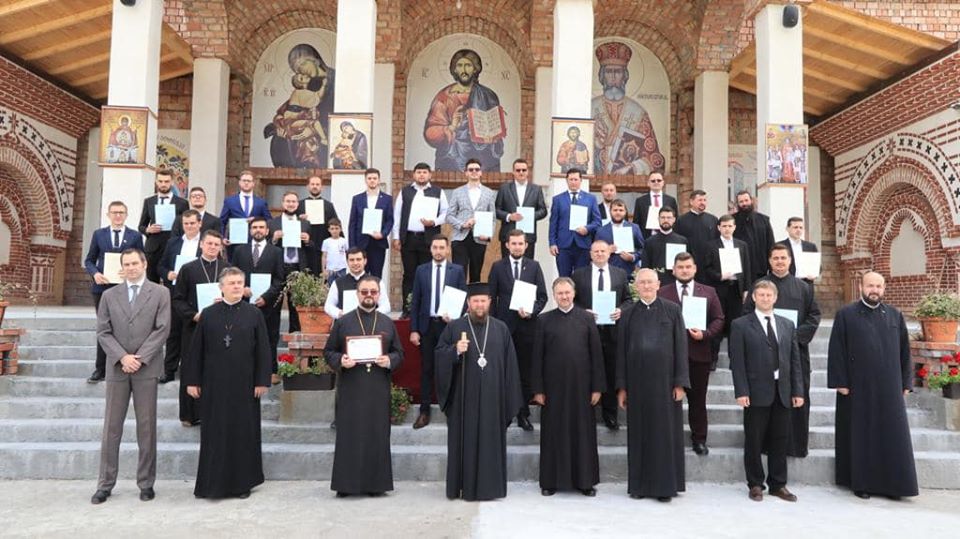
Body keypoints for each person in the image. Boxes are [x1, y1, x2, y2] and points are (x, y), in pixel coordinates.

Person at [183, 266, 272, 499]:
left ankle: (242, 484)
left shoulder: (254, 314)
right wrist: (192, 381)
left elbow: (263, 349)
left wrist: (262, 380)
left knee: (243, 433)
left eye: (240, 283)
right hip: (214, 385)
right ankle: (212, 484)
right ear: (221, 287)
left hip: (245, 384)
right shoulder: (208, 314)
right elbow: (196, 350)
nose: (236, 287)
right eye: (231, 283)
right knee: (215, 433)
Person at [828, 271, 918, 500]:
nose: (874, 290)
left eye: (878, 286)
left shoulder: (895, 315)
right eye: (870, 285)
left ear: (884, 288)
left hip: (890, 386)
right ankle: (862, 483)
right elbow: (837, 349)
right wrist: (840, 382)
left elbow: (904, 351)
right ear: (861, 287)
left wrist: (906, 381)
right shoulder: (846, 314)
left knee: (892, 435)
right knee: (862, 434)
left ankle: (894, 486)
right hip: (857, 386)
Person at [91, 248, 170, 505]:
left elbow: (162, 329)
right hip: (118, 367)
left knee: (146, 427)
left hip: (146, 367)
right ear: (122, 267)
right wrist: (123, 357)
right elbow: (103, 332)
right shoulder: (109, 295)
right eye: (127, 264)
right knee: (111, 427)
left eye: (135, 263)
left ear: (144, 264)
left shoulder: (160, 293)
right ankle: (105, 484)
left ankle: (146, 483)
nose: (131, 268)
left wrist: (139, 358)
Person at [435, 283, 523, 501]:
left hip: (494, 399)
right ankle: (461, 487)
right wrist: (455, 351)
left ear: (490, 302)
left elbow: (511, 365)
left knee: (490, 444)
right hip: (463, 400)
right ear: (468, 303)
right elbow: (439, 355)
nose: (479, 305)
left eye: (483, 301)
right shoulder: (454, 327)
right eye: (475, 301)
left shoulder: (501, 329)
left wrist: (509, 398)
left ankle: (491, 488)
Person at [323, 275, 404, 497]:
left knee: (377, 435)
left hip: (378, 387)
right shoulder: (343, 322)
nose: (369, 295)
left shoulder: (387, 322)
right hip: (351, 387)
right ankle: (346, 485)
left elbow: (399, 353)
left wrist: (389, 360)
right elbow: (329, 351)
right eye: (364, 292)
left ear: (379, 295)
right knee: (349, 435)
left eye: (373, 292)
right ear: (357, 294)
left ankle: (376, 485)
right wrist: (341, 360)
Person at [616, 268, 688, 502]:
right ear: (635, 287)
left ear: (658, 285)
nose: (646, 286)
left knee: (664, 435)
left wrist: (680, 382)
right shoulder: (628, 314)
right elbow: (621, 352)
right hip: (637, 384)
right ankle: (639, 485)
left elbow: (681, 347)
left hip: (665, 384)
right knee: (638, 435)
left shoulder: (673, 310)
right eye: (642, 283)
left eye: (650, 282)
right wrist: (622, 387)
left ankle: (665, 487)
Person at [729, 279, 804, 503]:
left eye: (768, 295)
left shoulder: (787, 324)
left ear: (775, 298)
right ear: (753, 297)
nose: (765, 298)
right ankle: (755, 484)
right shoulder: (741, 325)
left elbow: (794, 360)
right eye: (760, 295)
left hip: (783, 390)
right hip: (755, 391)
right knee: (754, 440)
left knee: (780, 439)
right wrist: (741, 391)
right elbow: (737, 362)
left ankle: (778, 484)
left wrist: (798, 391)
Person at [743, 244, 821, 458]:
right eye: (775, 258)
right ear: (769, 261)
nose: (779, 261)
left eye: (783, 258)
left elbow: (814, 316)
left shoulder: (803, 287)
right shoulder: (759, 286)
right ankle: (764, 445)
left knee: (795, 398)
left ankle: (795, 446)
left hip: (795, 355)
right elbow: (747, 315)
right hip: (763, 356)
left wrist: (792, 338)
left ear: (790, 260)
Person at [531, 277, 604, 497]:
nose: (564, 296)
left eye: (567, 292)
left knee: (583, 434)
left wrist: (597, 387)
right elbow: (537, 357)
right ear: (554, 296)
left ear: (574, 293)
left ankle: (585, 482)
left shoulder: (587, 318)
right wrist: (538, 389)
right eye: (560, 293)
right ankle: (550, 481)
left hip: (582, 388)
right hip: (553, 389)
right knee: (553, 433)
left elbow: (596, 355)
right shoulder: (544, 320)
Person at [657, 253, 724, 455]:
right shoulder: (662, 292)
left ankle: (699, 439)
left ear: (695, 269)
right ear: (674, 270)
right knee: (668, 401)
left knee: (698, 401)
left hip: (698, 355)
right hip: (669, 357)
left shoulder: (709, 292)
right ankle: (668, 439)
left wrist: (705, 334)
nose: (684, 270)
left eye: (688, 267)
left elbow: (719, 319)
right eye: (680, 267)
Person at [489, 229, 548, 431]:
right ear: (507, 245)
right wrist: (494, 324)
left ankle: (523, 414)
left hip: (527, 328)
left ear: (526, 245)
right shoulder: (497, 267)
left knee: (524, 372)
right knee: (503, 371)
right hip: (503, 328)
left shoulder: (534, 266)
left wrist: (532, 311)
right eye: (513, 243)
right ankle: (504, 414)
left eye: (520, 243)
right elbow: (491, 297)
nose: (517, 247)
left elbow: (543, 297)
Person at [572, 240, 631, 431]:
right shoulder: (578, 274)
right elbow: (572, 302)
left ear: (609, 253)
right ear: (590, 254)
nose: (599, 254)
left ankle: (610, 414)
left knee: (611, 371)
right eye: (596, 251)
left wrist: (621, 310)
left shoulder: (620, 274)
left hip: (612, 331)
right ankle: (585, 412)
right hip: (586, 331)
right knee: (586, 370)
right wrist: (584, 312)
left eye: (603, 251)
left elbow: (628, 300)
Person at [172, 230, 229, 426]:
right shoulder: (188, 269)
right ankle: (189, 414)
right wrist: (193, 315)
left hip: (221, 328)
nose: (213, 247)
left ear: (220, 247)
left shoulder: (227, 269)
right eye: (209, 243)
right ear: (201, 244)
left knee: (216, 370)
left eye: (216, 244)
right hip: (194, 326)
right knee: (191, 367)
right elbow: (177, 299)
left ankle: (212, 413)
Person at [83, 201, 145, 383]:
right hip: (102, 288)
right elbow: (89, 260)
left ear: (126, 215)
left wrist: (131, 272)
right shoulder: (99, 234)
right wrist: (95, 274)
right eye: (114, 212)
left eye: (121, 212)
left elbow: (142, 260)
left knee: (125, 327)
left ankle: (125, 364)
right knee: (104, 327)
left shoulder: (135, 236)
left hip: (126, 288)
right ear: (108, 214)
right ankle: (100, 369)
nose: (118, 215)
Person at [409, 235, 466, 429]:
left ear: (448, 249)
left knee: (450, 367)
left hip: (448, 327)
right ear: (431, 249)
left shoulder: (457, 270)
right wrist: (414, 330)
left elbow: (463, 299)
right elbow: (416, 301)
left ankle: (451, 408)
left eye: (442, 247)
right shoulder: (421, 270)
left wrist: (455, 316)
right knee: (427, 368)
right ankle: (424, 410)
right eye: (435, 247)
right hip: (427, 327)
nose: (439, 251)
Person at [424, 48, 505, 171]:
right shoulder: (444, 97)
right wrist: (451, 127)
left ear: (475, 69)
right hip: (452, 158)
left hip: (483, 158)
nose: (464, 70)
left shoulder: (488, 95)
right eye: (460, 65)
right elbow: (431, 132)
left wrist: (493, 138)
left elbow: (496, 128)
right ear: (455, 69)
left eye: (468, 65)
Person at [592, 41, 665, 175]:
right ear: (602, 76)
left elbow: (654, 158)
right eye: (608, 72)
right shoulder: (590, 108)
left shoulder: (638, 112)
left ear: (625, 76)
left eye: (618, 72)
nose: (613, 77)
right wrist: (596, 144)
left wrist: (631, 168)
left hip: (628, 181)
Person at [233, 216, 285, 380]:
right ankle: (244, 370)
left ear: (267, 231)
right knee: (243, 337)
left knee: (270, 337)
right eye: (255, 227)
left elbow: (280, 279)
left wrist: (266, 297)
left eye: (261, 227)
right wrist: (241, 288)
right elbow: (233, 274)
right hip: (243, 302)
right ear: (250, 231)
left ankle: (271, 371)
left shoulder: (276, 252)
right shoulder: (240, 250)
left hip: (269, 304)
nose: (258, 230)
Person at [391, 162, 448, 310]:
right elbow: (397, 215)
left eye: (424, 172)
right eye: (418, 172)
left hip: (429, 240)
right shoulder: (405, 191)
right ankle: (408, 308)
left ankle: (426, 308)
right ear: (414, 175)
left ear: (430, 175)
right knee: (409, 274)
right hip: (409, 239)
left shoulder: (438, 191)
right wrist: (396, 237)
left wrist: (434, 222)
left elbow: (445, 213)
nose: (421, 175)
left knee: (427, 274)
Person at [157, 209, 203, 384]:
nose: (189, 226)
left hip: (197, 294)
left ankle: (189, 370)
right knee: (174, 332)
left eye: (192, 223)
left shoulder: (205, 243)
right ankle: (169, 370)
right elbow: (161, 266)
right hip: (176, 293)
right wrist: (168, 274)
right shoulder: (173, 243)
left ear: (199, 223)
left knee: (193, 333)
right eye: (186, 223)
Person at [702, 214, 751, 369]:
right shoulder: (711, 245)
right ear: (719, 228)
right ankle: (713, 359)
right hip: (719, 289)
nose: (727, 229)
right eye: (724, 226)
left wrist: (746, 289)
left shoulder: (742, 245)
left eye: (730, 226)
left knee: (735, 325)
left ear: (734, 227)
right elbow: (706, 269)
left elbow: (747, 268)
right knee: (716, 323)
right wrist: (719, 276)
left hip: (736, 290)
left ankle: (734, 360)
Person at [268, 192, 313, 334]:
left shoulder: (305, 223)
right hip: (279, 268)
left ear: (297, 204)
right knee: (275, 304)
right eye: (288, 201)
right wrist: (274, 239)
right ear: (283, 203)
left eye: (293, 201)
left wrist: (308, 241)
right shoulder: (272, 223)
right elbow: (266, 247)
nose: (291, 204)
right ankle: (273, 339)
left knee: (296, 305)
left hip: (297, 267)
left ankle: (294, 337)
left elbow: (312, 248)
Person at [447, 158, 497, 283]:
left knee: (476, 274)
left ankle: (474, 296)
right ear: (466, 173)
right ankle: (460, 296)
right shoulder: (457, 192)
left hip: (479, 238)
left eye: (477, 169)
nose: (474, 171)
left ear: (481, 172)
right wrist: (462, 224)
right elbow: (449, 215)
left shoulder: (489, 193)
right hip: (460, 238)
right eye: (471, 170)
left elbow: (493, 218)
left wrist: (488, 235)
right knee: (459, 274)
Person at [138, 169, 189, 284]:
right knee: (151, 282)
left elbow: (186, 225)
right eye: (160, 181)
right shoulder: (149, 201)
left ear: (172, 182)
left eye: (166, 181)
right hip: (153, 248)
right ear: (156, 182)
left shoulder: (182, 203)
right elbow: (141, 226)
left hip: (173, 246)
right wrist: (148, 230)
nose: (163, 184)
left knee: (172, 281)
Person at [549, 168, 602, 277]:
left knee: (581, 278)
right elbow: (553, 223)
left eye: (576, 179)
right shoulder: (558, 199)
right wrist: (552, 243)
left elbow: (597, 222)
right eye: (571, 179)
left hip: (583, 245)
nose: (573, 182)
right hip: (563, 245)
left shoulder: (591, 199)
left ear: (581, 180)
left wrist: (587, 228)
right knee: (564, 278)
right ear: (567, 180)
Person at [494, 158, 547, 259]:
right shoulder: (504, 188)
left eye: (524, 170)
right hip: (508, 235)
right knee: (507, 266)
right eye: (518, 170)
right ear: (513, 172)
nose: (521, 172)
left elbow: (543, 211)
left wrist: (529, 216)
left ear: (528, 172)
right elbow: (496, 210)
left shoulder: (536, 189)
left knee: (527, 266)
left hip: (528, 236)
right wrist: (509, 216)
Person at [348, 168, 393, 278]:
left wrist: (383, 234)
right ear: (365, 180)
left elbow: (390, 220)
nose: (372, 180)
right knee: (359, 275)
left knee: (376, 276)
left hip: (378, 244)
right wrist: (352, 247)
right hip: (360, 243)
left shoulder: (387, 199)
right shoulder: (357, 199)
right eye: (369, 178)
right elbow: (352, 223)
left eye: (374, 178)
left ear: (379, 180)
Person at [325, 248, 391, 319]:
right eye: (352, 260)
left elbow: (386, 306)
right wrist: (339, 313)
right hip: (345, 323)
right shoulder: (337, 283)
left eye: (358, 259)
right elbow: (328, 306)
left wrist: (372, 314)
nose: (355, 263)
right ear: (347, 262)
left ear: (365, 261)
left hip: (371, 323)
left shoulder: (377, 282)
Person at [295, 175, 339, 275]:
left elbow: (335, 225)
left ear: (322, 187)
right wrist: (299, 219)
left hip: (322, 247)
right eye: (312, 184)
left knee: (322, 277)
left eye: (317, 184)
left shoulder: (328, 205)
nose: (315, 186)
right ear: (307, 186)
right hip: (304, 247)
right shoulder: (299, 205)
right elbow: (292, 224)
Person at [673, 189, 719, 280]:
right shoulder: (681, 221)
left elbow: (717, 241)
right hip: (688, 264)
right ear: (691, 202)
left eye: (704, 200)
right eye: (700, 200)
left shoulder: (713, 220)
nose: (703, 203)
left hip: (709, 266)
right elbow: (677, 242)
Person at [733, 190, 775, 284]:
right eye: (741, 201)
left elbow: (770, 244)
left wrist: (771, 267)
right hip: (739, 270)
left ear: (751, 200)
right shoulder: (732, 220)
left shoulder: (764, 220)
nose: (744, 204)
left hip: (760, 268)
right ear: (737, 204)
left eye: (746, 200)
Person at [595, 199, 644, 278]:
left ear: (625, 212)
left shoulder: (634, 228)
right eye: (615, 210)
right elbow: (595, 252)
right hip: (608, 273)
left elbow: (643, 249)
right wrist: (606, 251)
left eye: (621, 210)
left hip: (629, 272)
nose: (618, 212)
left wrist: (633, 257)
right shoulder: (601, 231)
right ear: (610, 211)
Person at [640, 207, 688, 286]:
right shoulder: (649, 241)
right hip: (657, 284)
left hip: (676, 282)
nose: (666, 220)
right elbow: (645, 267)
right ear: (658, 219)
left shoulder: (682, 241)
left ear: (674, 219)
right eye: (663, 217)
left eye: (669, 218)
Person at [632, 172, 678, 240]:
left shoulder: (671, 200)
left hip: (667, 237)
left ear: (663, 183)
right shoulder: (640, 201)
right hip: (646, 238)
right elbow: (636, 222)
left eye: (659, 180)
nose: (656, 182)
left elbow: (675, 220)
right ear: (648, 183)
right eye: (653, 181)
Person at [776, 217, 819, 285]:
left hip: (806, 283)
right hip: (785, 283)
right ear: (787, 229)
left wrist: (814, 274)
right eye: (795, 227)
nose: (798, 230)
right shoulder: (779, 246)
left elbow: (818, 266)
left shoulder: (811, 246)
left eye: (801, 228)